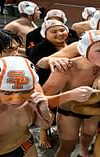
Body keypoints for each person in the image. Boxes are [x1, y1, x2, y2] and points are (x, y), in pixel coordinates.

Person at [42, 30, 100, 157]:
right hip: (69, 112)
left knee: (88, 135)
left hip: (93, 111)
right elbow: (41, 100)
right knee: (68, 146)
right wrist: (70, 95)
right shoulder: (66, 68)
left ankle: (83, 152)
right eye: (99, 51)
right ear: (84, 51)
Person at [27, 19, 70, 149]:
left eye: (62, 30)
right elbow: (38, 63)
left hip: (70, 82)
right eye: (54, 31)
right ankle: (43, 132)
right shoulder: (39, 48)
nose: (59, 33)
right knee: (48, 107)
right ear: (45, 34)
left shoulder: (73, 44)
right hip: (48, 82)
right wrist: (50, 60)